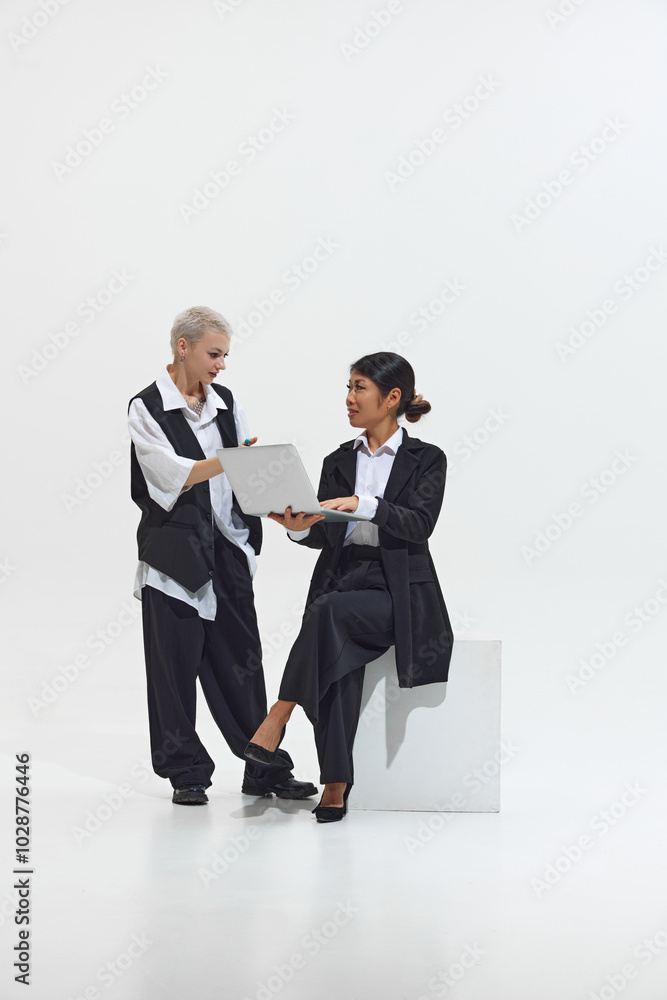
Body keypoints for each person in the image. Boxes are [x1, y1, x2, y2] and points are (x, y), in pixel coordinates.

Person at [244, 352, 453, 822]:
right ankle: (335, 782)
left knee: (328, 614)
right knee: (334, 654)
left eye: (359, 387)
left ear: (391, 397)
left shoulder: (427, 459)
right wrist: (295, 525)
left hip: (394, 589)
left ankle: (278, 714)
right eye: (350, 387)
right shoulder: (338, 459)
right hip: (341, 578)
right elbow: (324, 535)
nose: (349, 398)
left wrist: (365, 503)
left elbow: (419, 525)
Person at [128, 305, 317, 805]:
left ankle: (262, 767)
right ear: (183, 347)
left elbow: (246, 474)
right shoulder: (147, 407)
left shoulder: (227, 402)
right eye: (215, 354)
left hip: (228, 548)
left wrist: (280, 508)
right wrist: (234, 458)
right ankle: (186, 773)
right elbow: (173, 475)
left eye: (226, 355)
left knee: (242, 663)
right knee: (173, 669)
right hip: (173, 559)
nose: (221, 365)